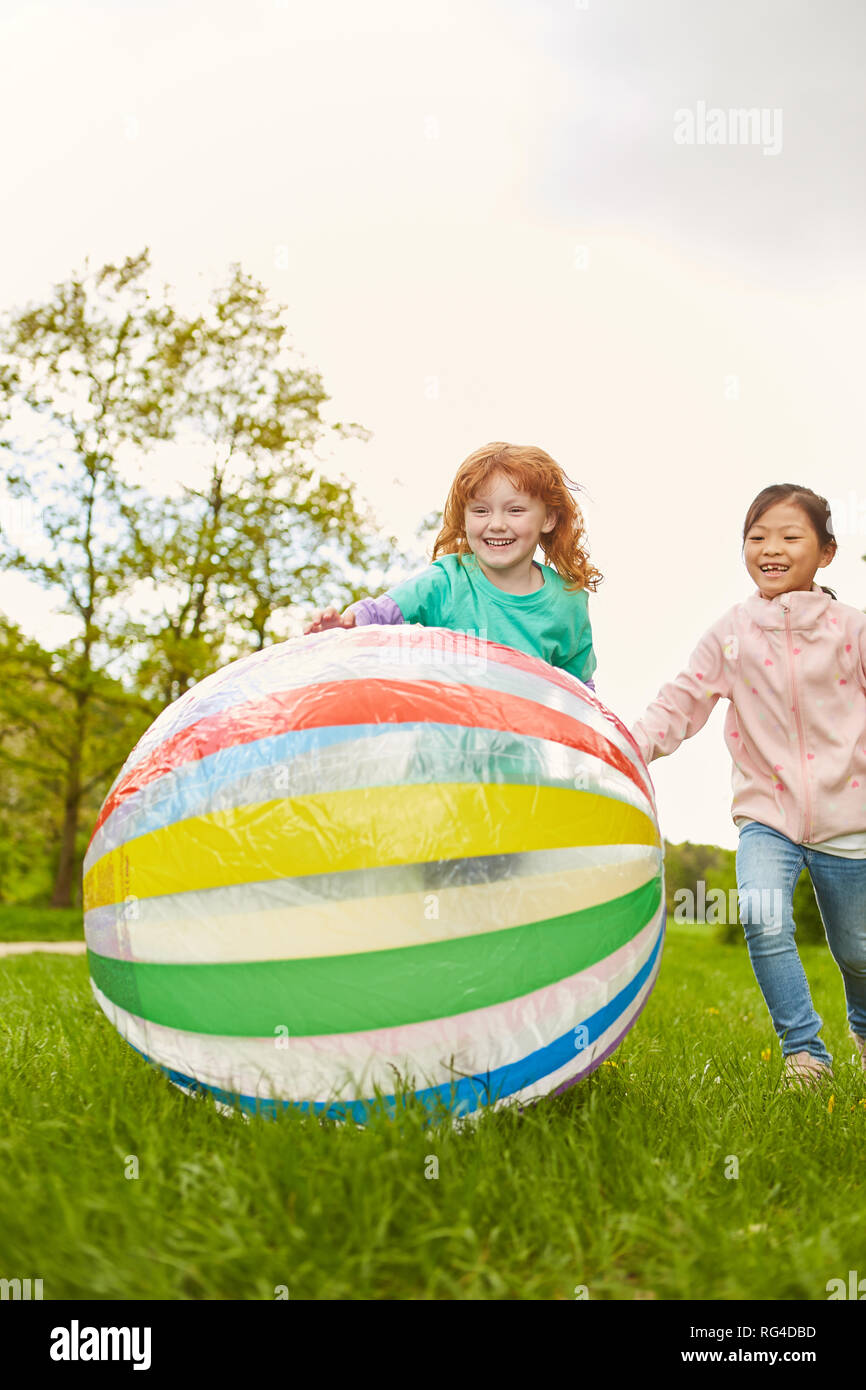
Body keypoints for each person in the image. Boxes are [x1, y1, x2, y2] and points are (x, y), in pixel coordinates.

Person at [631, 484, 866, 1090]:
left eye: (790, 536)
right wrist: (627, 749)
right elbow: (682, 699)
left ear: (826, 552)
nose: (771, 548)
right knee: (763, 917)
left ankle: (863, 1032)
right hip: (767, 815)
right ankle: (806, 1055)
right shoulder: (732, 634)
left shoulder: (852, 631)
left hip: (852, 818)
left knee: (859, 951)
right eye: (757, 537)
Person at [303, 441, 601, 690]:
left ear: (548, 519)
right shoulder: (445, 581)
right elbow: (380, 614)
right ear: (465, 517)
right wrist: (344, 627)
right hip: (444, 752)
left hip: (520, 756)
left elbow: (580, 692)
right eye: (481, 511)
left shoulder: (568, 602)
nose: (496, 524)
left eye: (515, 510)